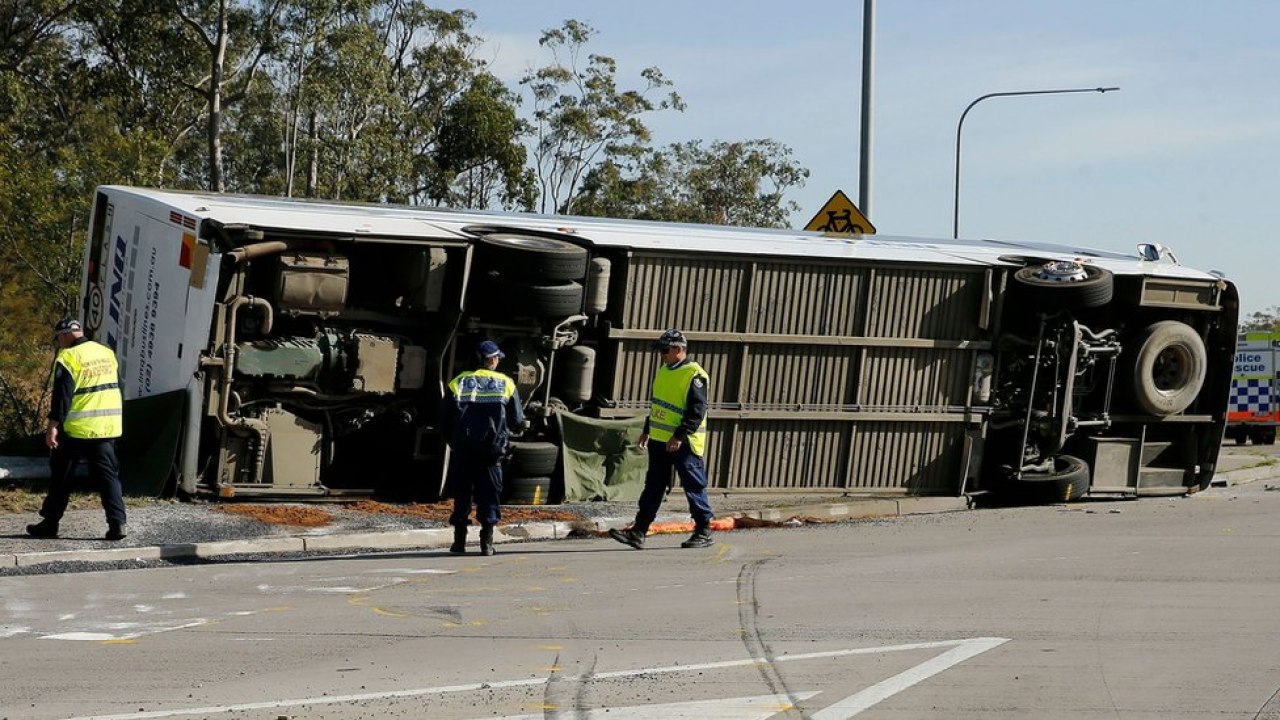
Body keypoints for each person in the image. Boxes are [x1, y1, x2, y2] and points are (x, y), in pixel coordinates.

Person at [609, 329, 715, 550]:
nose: (662, 355)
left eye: (665, 350)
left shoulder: (694, 375)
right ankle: (638, 531)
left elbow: (697, 411)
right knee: (653, 487)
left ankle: (704, 530)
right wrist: (647, 430)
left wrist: (678, 435)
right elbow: (658, 405)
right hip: (659, 440)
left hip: (684, 442)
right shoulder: (664, 371)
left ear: (679, 349)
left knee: (693, 486)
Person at [27, 317, 128, 541]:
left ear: (64, 334)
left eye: (58, 338)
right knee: (109, 477)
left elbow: (61, 397)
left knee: (62, 477)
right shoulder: (105, 352)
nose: (58, 343)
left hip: (77, 429)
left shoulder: (68, 357)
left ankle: (50, 524)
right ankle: (118, 524)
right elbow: (119, 386)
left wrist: (53, 426)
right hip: (107, 427)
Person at [440, 340, 524, 556]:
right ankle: (486, 544)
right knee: (489, 496)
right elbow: (517, 419)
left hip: (464, 450)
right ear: (492, 359)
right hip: (492, 452)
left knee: (462, 495)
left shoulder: (457, 382)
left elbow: (445, 419)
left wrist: (454, 440)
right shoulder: (505, 383)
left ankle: (459, 543)